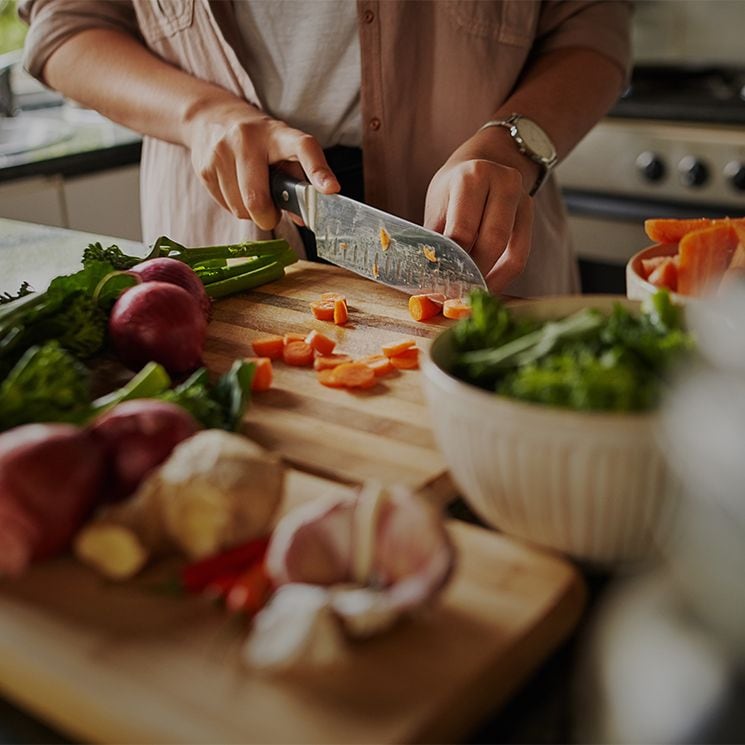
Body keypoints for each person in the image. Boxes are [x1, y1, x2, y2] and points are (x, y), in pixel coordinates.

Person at [19, 0, 631, 296]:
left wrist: (512, 144)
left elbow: (594, 31)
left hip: (485, 243)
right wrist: (202, 114)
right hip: (230, 232)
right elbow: (64, 27)